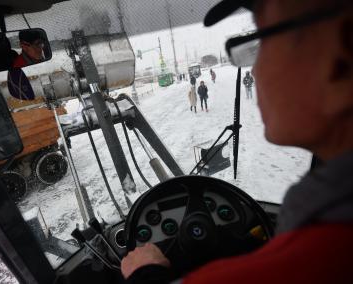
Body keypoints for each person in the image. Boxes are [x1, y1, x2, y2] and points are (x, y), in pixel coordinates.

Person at [121, 0, 353, 283]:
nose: (254, 72)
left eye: (263, 40)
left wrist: (146, 275)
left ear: (339, 61)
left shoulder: (322, 255)